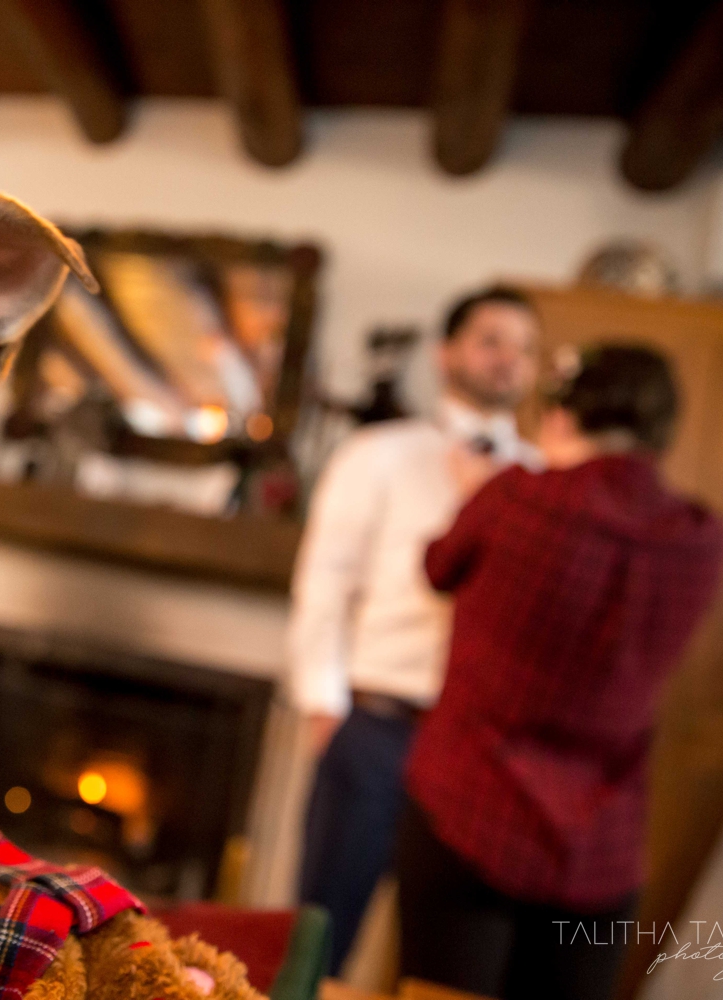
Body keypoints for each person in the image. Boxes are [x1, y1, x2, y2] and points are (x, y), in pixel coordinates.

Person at [396, 345, 723, 1000]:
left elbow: (439, 567)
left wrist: (474, 495)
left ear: (560, 417)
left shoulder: (516, 497)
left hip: (471, 808)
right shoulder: (701, 536)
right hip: (602, 849)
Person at [288, 286, 541, 974]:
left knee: (446, 959)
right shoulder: (378, 453)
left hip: (480, 749)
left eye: (523, 347)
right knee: (318, 938)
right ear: (446, 353)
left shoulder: (544, 483)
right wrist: (324, 704)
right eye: (492, 340)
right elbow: (326, 582)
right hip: (377, 725)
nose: (508, 360)